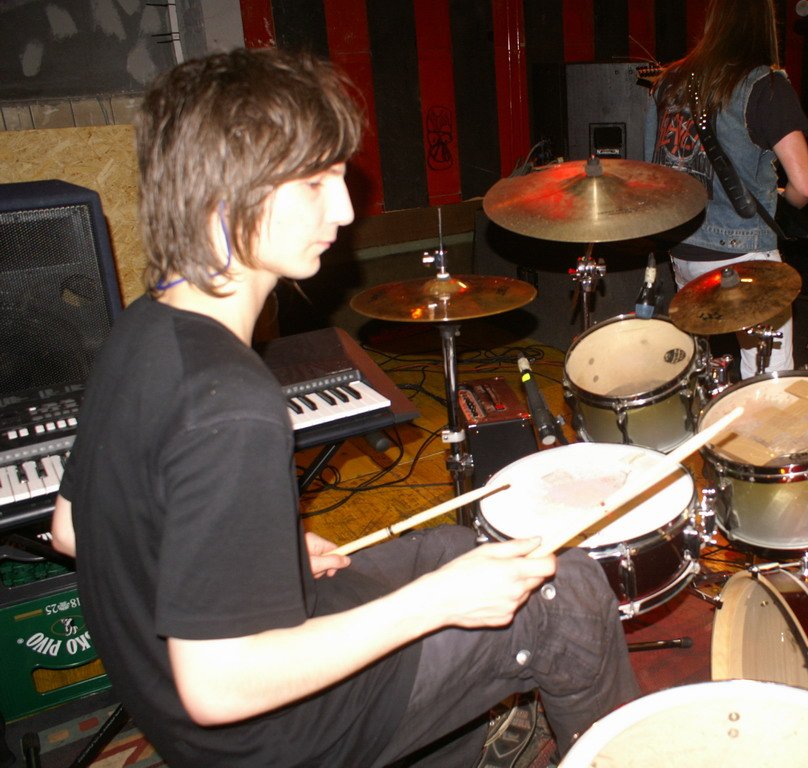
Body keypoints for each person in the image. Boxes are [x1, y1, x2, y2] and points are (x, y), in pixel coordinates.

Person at [50, 49, 637, 768]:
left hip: (173, 698)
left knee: (465, 550)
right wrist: (433, 604)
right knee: (566, 593)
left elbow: (74, 528)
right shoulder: (233, 405)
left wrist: (256, 555)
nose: (346, 209)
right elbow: (219, 687)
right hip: (268, 734)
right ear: (221, 196)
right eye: (315, 182)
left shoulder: (140, 327)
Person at [644, 0, 808, 379]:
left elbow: (655, 172)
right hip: (744, 253)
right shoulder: (765, 85)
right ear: (764, 25)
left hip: (684, 251)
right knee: (767, 378)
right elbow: (805, 185)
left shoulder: (669, 81)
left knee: (700, 367)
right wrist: (785, 199)